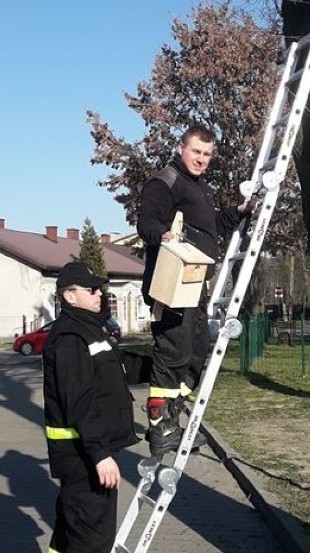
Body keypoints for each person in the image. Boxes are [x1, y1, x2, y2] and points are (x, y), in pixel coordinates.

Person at [137, 124, 254, 457]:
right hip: (172, 286)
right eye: (196, 152)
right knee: (172, 352)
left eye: (207, 154)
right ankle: (160, 428)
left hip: (195, 286)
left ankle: (173, 417)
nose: (201, 159)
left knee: (196, 351)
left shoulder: (199, 187)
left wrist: (237, 213)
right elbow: (146, 221)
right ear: (180, 147)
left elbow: (210, 230)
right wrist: (162, 234)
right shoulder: (167, 181)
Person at [42, 261, 147, 553]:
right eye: (91, 289)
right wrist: (100, 455)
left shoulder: (91, 331)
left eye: (98, 288)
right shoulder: (70, 339)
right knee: (92, 539)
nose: (98, 294)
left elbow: (119, 369)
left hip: (86, 453)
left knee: (69, 533)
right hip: (82, 458)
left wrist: (157, 369)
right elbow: (80, 402)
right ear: (69, 296)